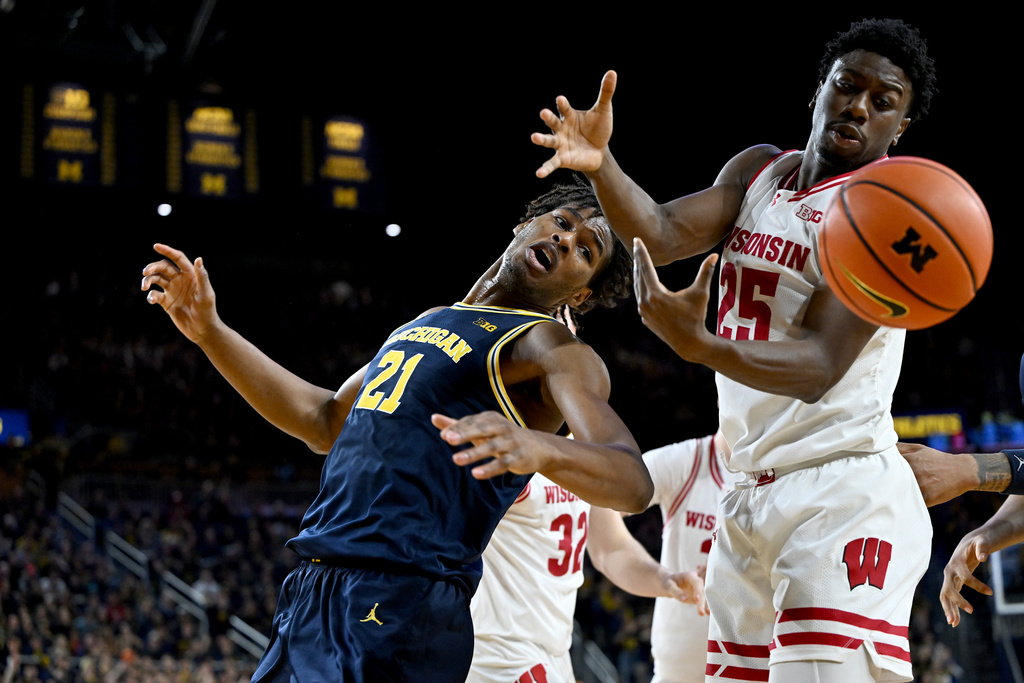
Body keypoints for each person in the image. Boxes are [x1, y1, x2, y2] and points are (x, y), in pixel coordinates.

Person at [530, 18, 938, 683]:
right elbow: (659, 233)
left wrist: (700, 344)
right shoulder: (761, 172)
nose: (860, 106)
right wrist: (602, 165)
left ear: (900, 128)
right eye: (848, 86)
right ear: (819, 93)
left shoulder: (884, 216)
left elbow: (819, 367)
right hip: (747, 487)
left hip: (841, 488)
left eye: (883, 101)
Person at [140, 181, 653, 682]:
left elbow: (632, 481)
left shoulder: (549, 347)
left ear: (581, 292)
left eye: (586, 250)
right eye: (561, 223)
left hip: (402, 600)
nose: (566, 240)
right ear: (525, 225)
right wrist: (211, 333)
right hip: (315, 585)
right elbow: (322, 422)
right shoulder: (427, 320)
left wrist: (536, 446)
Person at [469, 469, 707, 683]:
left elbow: (612, 547)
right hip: (498, 653)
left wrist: (664, 579)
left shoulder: (584, 445)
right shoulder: (503, 438)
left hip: (556, 652)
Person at [636, 429, 744, 683]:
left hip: (749, 666)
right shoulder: (687, 460)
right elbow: (601, 503)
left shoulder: (783, 472)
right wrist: (659, 577)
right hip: (677, 672)